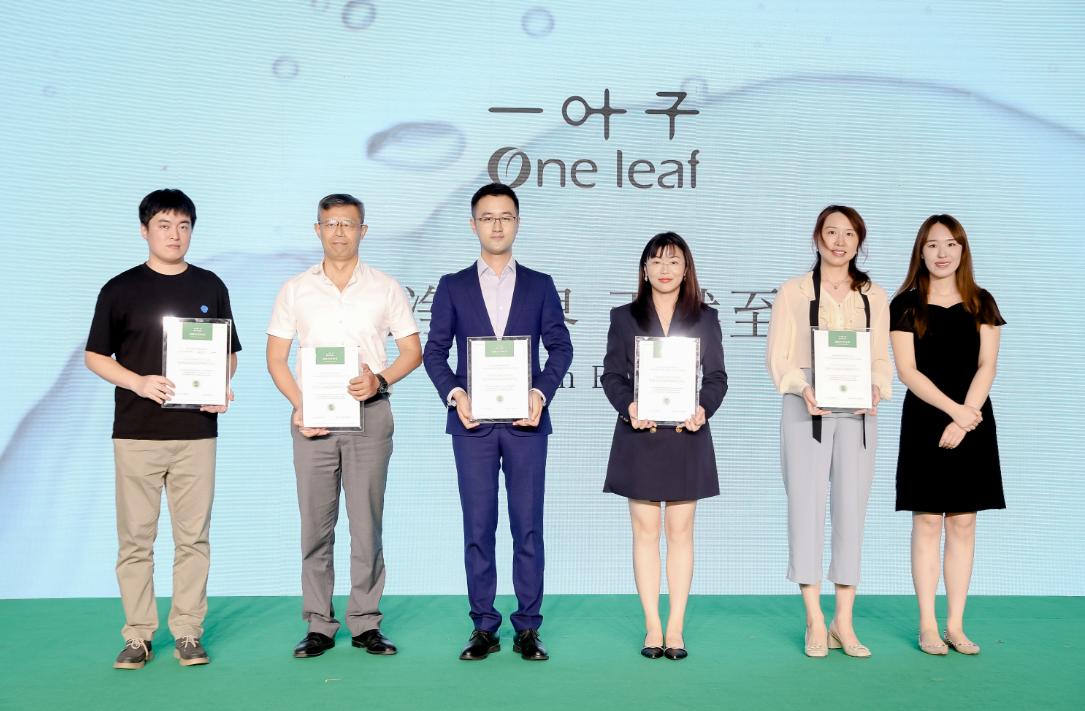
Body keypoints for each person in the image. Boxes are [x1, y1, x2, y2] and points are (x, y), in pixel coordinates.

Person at [85, 189, 241, 669]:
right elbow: (95, 356)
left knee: (194, 539)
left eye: (183, 226)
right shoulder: (120, 289)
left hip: (197, 432)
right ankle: (138, 635)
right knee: (136, 541)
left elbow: (229, 353)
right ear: (144, 230)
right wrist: (138, 382)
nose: (175, 235)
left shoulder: (210, 285)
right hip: (136, 433)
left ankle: (188, 632)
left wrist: (220, 385)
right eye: (164, 225)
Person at [266, 193, 422, 659]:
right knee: (315, 527)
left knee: (366, 524)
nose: (339, 232)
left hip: (369, 416)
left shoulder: (385, 287)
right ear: (318, 230)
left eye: (348, 224)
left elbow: (412, 351)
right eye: (330, 223)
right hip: (312, 421)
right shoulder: (295, 289)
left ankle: (366, 621)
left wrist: (380, 379)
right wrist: (300, 405)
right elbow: (276, 358)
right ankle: (318, 623)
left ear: (363, 231)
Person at [423, 183, 573, 661]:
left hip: (527, 424)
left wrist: (540, 392)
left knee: (528, 527)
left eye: (505, 217)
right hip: (473, 427)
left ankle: (528, 627)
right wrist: (456, 394)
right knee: (478, 527)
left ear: (517, 223)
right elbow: (434, 352)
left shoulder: (540, 284)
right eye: (487, 217)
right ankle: (483, 626)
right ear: (473, 225)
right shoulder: (453, 286)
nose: (496, 225)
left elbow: (561, 347)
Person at [766, 205, 891, 658]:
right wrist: (802, 387)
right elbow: (778, 357)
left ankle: (844, 620)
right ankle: (814, 619)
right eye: (832, 232)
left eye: (850, 234)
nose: (840, 242)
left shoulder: (874, 295)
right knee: (805, 508)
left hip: (858, 412)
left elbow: (880, 357)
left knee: (851, 512)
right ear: (817, 238)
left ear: (860, 242)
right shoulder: (793, 292)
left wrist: (876, 387)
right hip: (806, 407)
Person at [601, 233, 727, 661]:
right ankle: (652, 626)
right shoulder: (624, 318)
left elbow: (717, 378)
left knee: (680, 532)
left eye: (673, 261)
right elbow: (612, 376)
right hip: (640, 435)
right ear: (644, 270)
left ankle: (676, 627)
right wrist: (629, 407)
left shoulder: (705, 318)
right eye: (656, 261)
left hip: (687, 436)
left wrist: (703, 409)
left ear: (686, 269)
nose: (665, 269)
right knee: (645, 532)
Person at [890, 214, 1005, 656]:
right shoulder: (905, 304)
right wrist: (953, 412)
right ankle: (927, 624)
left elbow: (988, 365)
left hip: (973, 420)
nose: (943, 253)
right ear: (921, 251)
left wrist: (965, 417)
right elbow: (907, 371)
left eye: (951, 244)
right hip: (925, 419)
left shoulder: (982, 301)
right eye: (933, 245)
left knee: (963, 521)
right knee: (926, 521)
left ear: (962, 250)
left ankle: (956, 624)